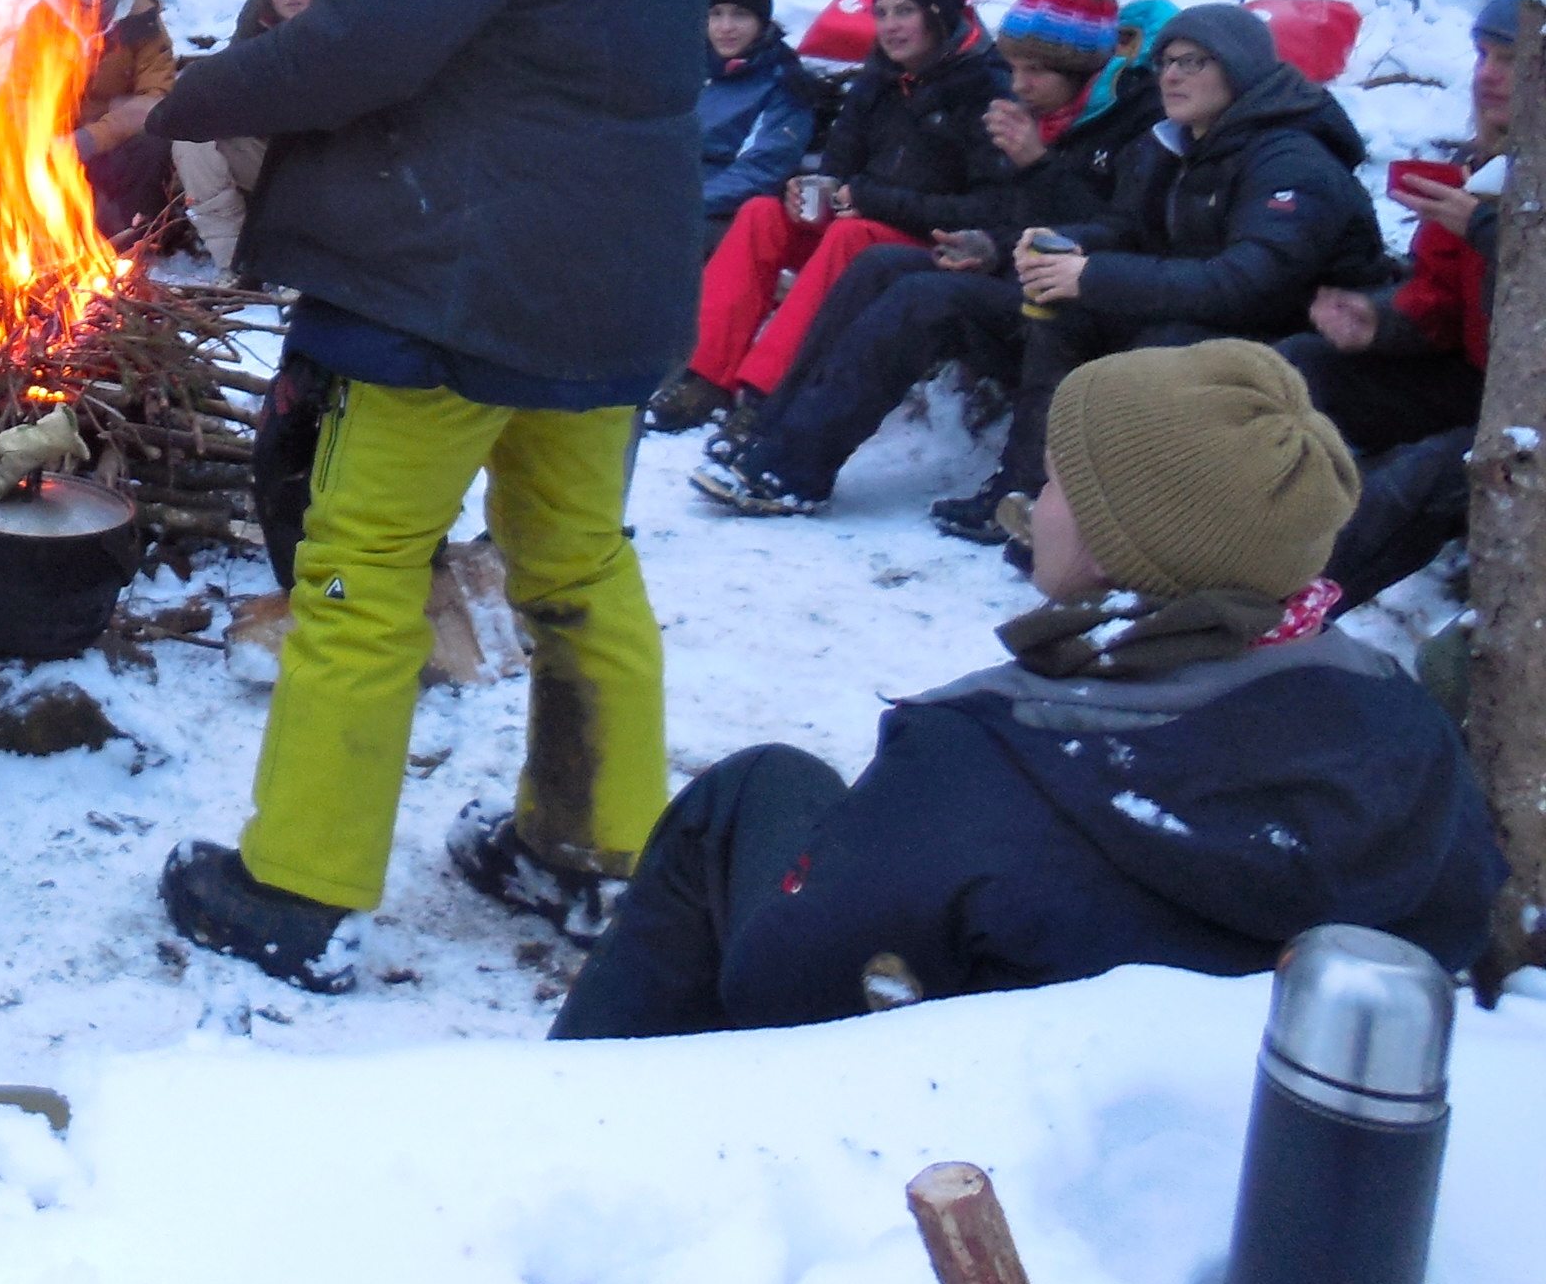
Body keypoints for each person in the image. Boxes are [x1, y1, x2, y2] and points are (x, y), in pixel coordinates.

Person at [148, 0, 732, 989]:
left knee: (359, 571)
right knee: (576, 560)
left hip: (454, 284)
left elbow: (366, 46)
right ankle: (592, 848)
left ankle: (293, 887)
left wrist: (178, 103)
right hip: (604, 280)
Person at [555, 339, 1502, 1038]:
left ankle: (551, 1131)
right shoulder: (1400, 720)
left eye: (1052, 485)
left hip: (960, 1148)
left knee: (750, 792)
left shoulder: (985, 760)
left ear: (1115, 543)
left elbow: (783, 989)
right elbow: (1461, 914)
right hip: (1201, 1138)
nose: (1031, 506)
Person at [693, 0, 1157, 523]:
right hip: (1008, 265)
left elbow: (1117, 227)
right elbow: (1004, 210)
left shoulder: (1125, 122)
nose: (1019, 84)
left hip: (1079, 295)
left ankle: (796, 470)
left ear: (1085, 71)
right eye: (1015, 67)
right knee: (873, 264)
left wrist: (1036, 168)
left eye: (1036, 71)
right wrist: (987, 243)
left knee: (913, 289)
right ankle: (770, 432)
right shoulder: (900, 83)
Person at [958, 0, 1389, 542]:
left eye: (1195, 62)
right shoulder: (1178, 140)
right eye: (1166, 62)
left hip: (1305, 337)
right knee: (1063, 313)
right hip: (1211, 311)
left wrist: (1092, 275)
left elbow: (1248, 282)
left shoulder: (1292, 160)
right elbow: (1128, 228)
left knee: (1160, 344)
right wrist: (1065, 245)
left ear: (1240, 69)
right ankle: (1032, 500)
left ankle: (1107, 533)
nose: (1173, 75)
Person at [650, 0, 1012, 438]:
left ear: (937, 14)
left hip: (931, 241)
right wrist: (811, 189)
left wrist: (869, 198)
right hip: (866, 215)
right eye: (880, 12)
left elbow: (990, 207)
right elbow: (840, 160)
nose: (889, 26)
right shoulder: (880, 77)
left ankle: (766, 391)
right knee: (762, 213)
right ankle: (704, 376)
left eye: (903, 12)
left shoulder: (983, 88)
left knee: (850, 233)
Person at [1285, 0, 1534, 607]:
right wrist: (1380, 322)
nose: (1488, 75)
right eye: (1484, 55)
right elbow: (1444, 301)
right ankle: (1194, 542)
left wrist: (1486, 228)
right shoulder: (1489, 166)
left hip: (1531, 413)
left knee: (1416, 480)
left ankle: (1284, 613)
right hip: (1481, 383)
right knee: (1289, 369)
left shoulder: (1490, 196)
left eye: (1513, 59)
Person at [172, 0, 327, 269]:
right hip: (268, 153)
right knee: (193, 140)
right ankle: (237, 263)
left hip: (334, 164)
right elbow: (231, 86)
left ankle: (307, 269)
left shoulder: (346, 30)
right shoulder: (254, 25)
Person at [55, 0, 179, 247]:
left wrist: (89, 138)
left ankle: (133, 237)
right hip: (58, 137)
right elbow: (22, 91)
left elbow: (153, 98)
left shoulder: (142, 21)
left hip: (117, 140)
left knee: (153, 144)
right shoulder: (44, 19)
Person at [695, 0, 821, 259]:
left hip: (722, 210)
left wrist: (683, 202)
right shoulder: (689, 69)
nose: (726, 27)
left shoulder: (783, 83)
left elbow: (760, 168)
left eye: (740, 15)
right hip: (666, 194)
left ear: (761, 21)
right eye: (716, 14)